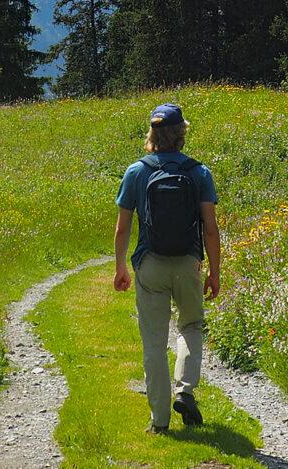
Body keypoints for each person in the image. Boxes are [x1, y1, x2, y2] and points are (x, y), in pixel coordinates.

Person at [113, 102, 220, 434]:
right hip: (188, 262)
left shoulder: (137, 171)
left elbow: (123, 227)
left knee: (154, 343)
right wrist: (215, 271)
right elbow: (210, 228)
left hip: (150, 264)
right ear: (181, 133)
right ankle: (185, 391)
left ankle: (160, 421)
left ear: (152, 134)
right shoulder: (199, 172)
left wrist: (120, 267)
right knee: (190, 325)